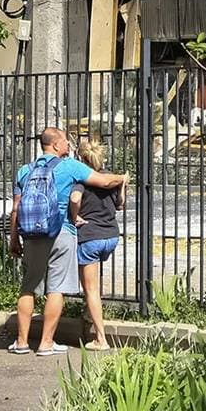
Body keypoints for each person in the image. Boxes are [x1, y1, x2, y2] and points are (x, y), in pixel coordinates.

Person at [8, 128, 127, 356]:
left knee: (28, 287)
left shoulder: (25, 171)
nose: (68, 146)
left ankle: (21, 342)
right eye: (64, 141)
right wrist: (121, 178)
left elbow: (15, 208)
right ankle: (46, 343)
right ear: (55, 145)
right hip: (61, 232)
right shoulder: (69, 166)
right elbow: (102, 181)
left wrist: (14, 239)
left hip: (32, 235)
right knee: (57, 288)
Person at [69, 138, 124, 351]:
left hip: (90, 236)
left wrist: (75, 216)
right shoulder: (109, 178)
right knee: (93, 283)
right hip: (110, 235)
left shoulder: (82, 179)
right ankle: (88, 312)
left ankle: (101, 338)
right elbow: (120, 204)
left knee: (91, 289)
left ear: (81, 158)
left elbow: (74, 199)